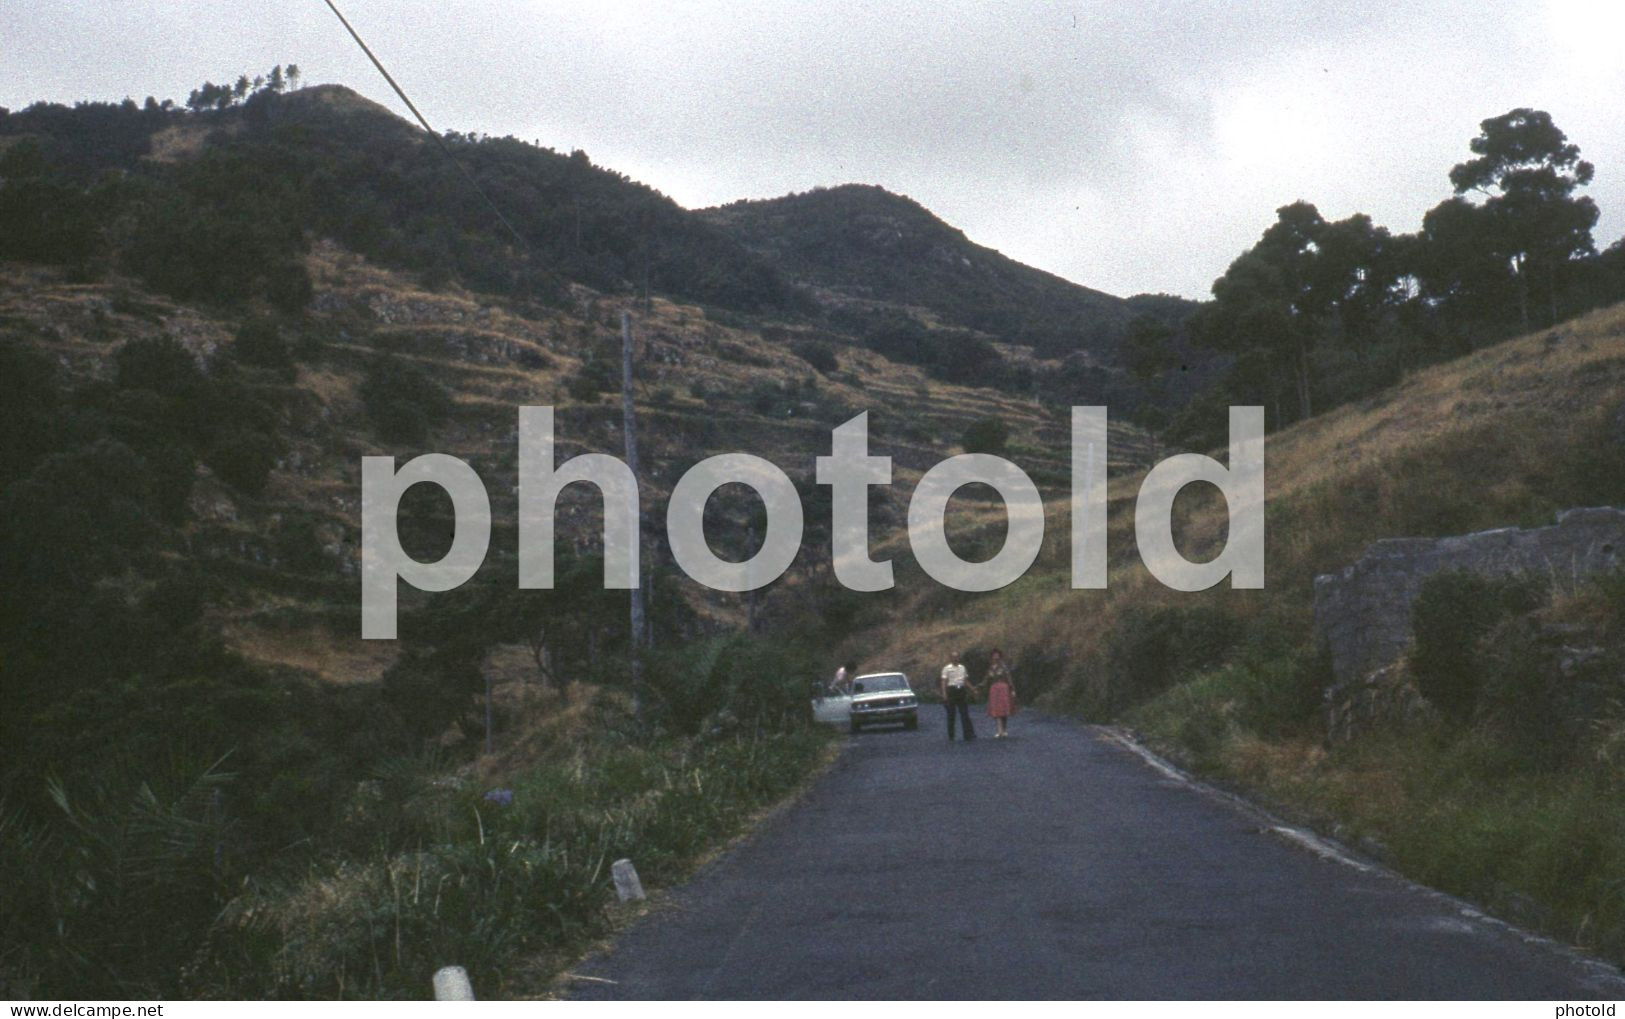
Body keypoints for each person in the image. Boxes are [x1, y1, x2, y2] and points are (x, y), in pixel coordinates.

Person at [939, 652, 976, 741]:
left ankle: (967, 735)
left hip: (961, 690)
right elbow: (944, 681)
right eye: (953, 657)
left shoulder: (962, 668)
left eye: (957, 657)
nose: (955, 659)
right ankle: (951, 735)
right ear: (950, 658)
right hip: (951, 690)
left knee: (964, 713)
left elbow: (965, 680)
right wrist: (944, 693)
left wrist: (972, 689)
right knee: (951, 714)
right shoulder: (946, 668)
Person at [985, 649, 1016, 739]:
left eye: (997, 655)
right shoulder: (990, 668)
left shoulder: (1003, 667)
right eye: (994, 655)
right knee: (996, 709)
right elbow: (986, 680)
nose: (996, 657)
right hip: (994, 689)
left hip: (1003, 688)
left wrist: (1012, 689)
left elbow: (1009, 678)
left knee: (1004, 709)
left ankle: (1004, 730)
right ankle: (999, 730)